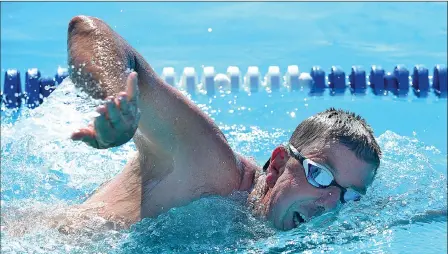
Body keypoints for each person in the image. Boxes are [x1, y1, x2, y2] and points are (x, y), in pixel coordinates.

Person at [68, 15, 382, 231]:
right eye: (321, 175)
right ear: (277, 164)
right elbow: (88, 30)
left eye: (349, 195)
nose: (329, 204)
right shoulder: (208, 167)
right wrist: (119, 102)